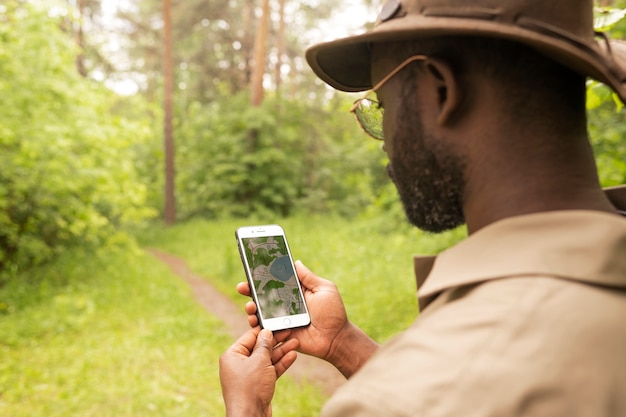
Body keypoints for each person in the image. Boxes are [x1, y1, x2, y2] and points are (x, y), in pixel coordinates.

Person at [220, 0, 626, 415]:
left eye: (382, 107)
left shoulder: (411, 394)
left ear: (442, 91)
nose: (384, 141)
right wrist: (343, 342)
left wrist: (247, 409)